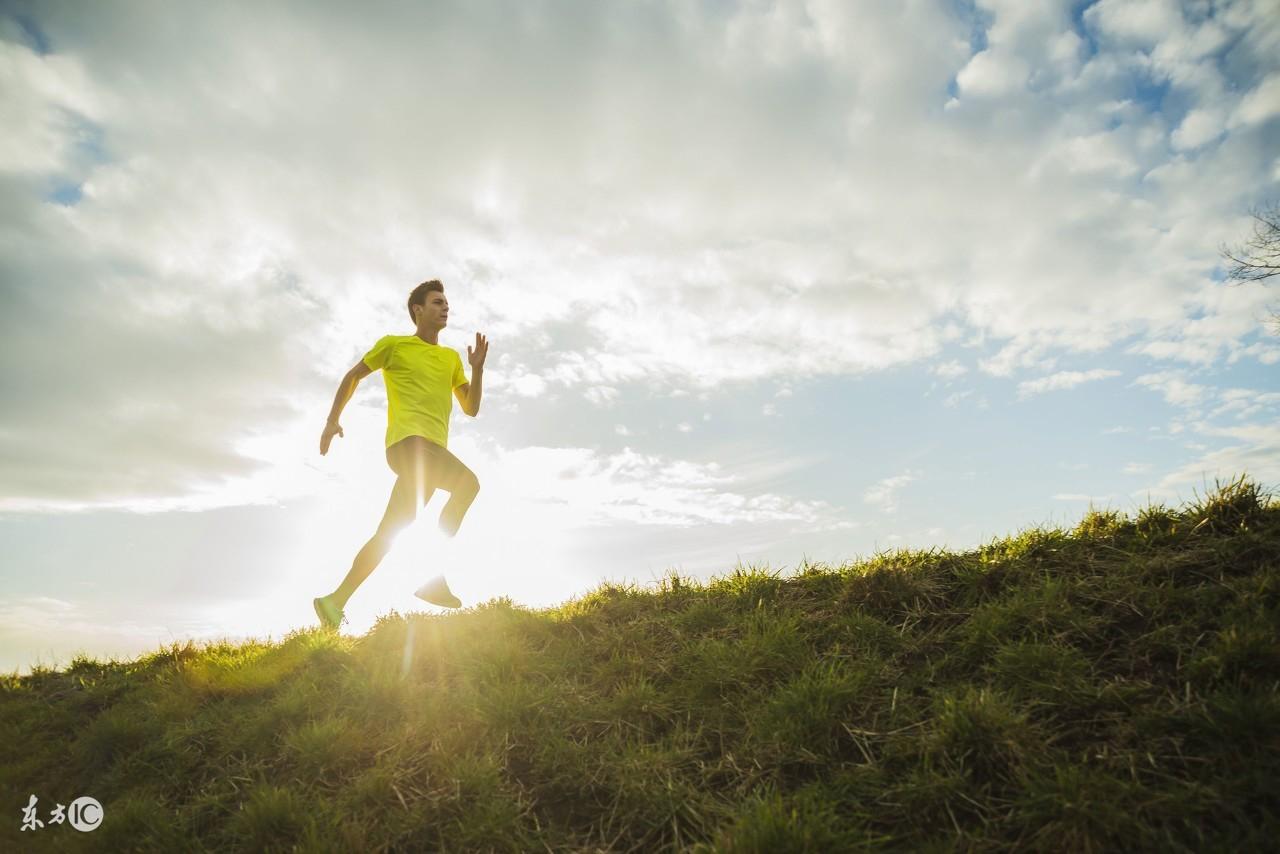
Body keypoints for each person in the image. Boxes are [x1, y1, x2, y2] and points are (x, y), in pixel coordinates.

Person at [313, 279, 488, 630]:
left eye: (446, 303)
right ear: (418, 310)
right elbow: (353, 376)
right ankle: (433, 577)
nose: (445, 307)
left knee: (390, 533)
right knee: (467, 484)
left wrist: (478, 368)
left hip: (431, 454)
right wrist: (332, 420)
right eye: (437, 302)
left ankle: (334, 601)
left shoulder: (450, 358)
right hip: (409, 445)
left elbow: (470, 407)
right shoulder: (394, 346)